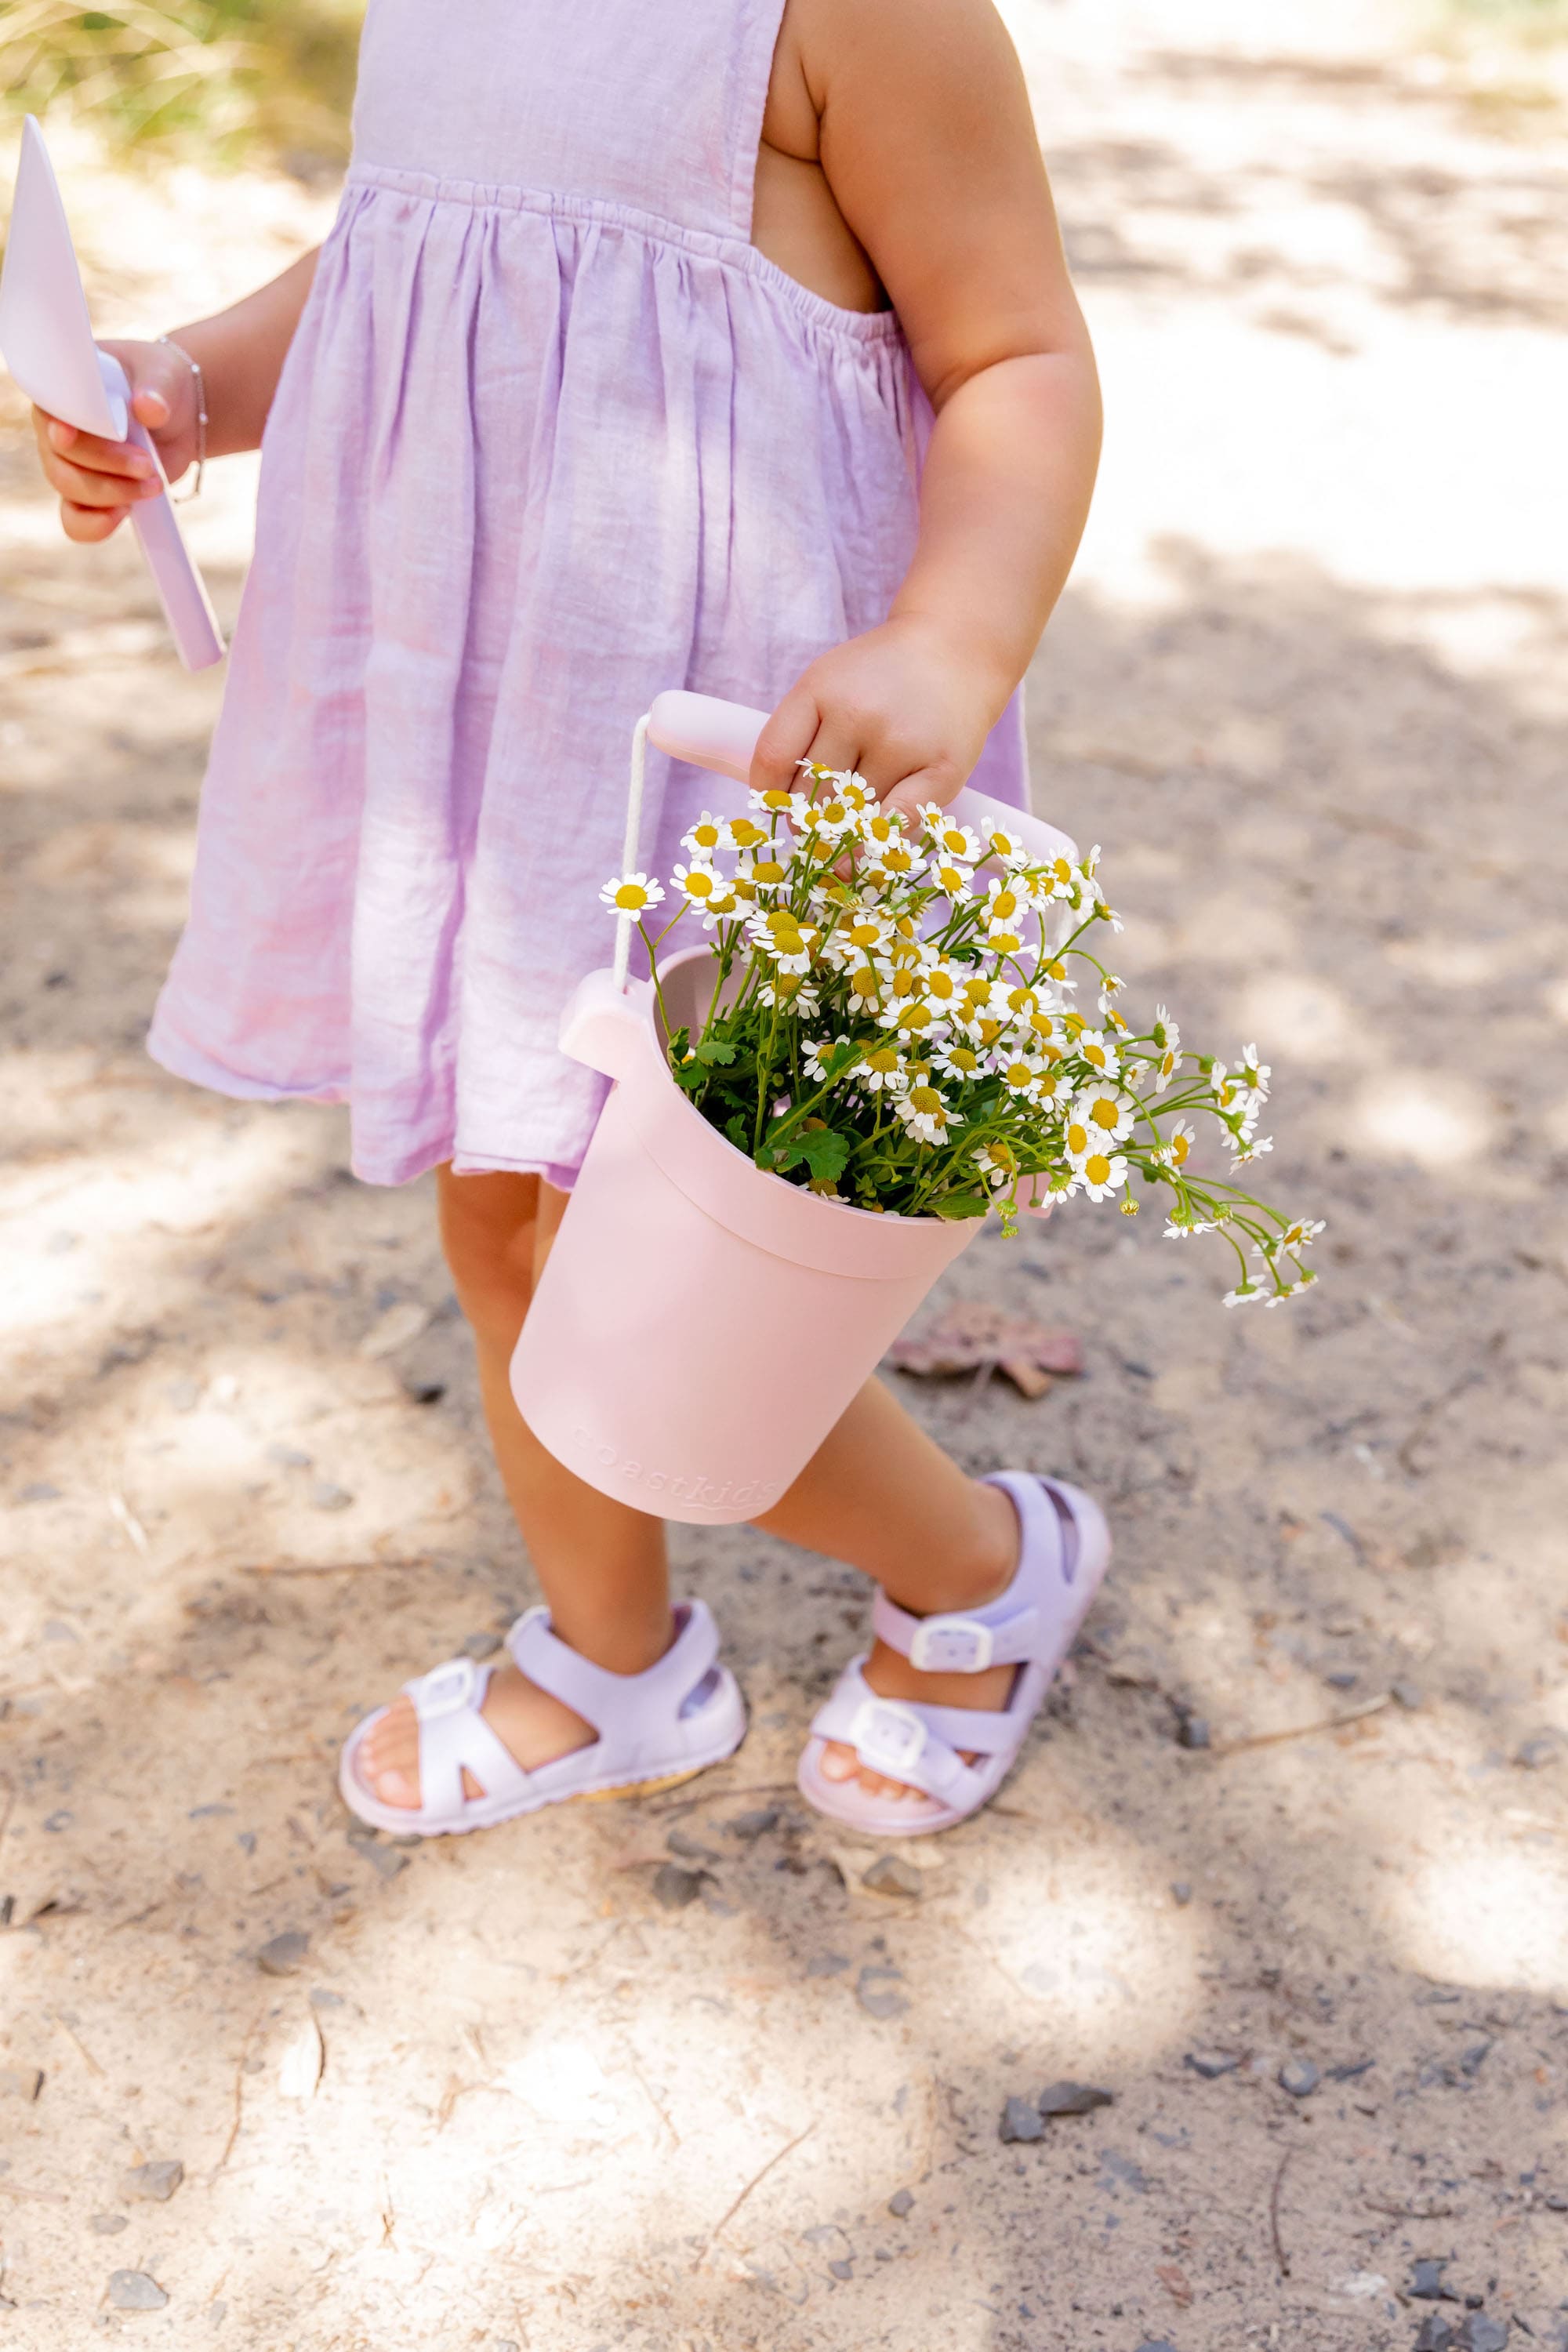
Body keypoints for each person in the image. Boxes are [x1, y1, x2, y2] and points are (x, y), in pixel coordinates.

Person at [30, 0, 1107, 1838]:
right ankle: (615, 1661)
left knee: (678, 1282)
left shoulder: (854, 17)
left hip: (732, 759)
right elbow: (407, 254)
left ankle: (985, 1569)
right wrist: (196, 387)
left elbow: (1014, 351)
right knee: (507, 1207)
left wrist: (952, 635)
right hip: (498, 739)